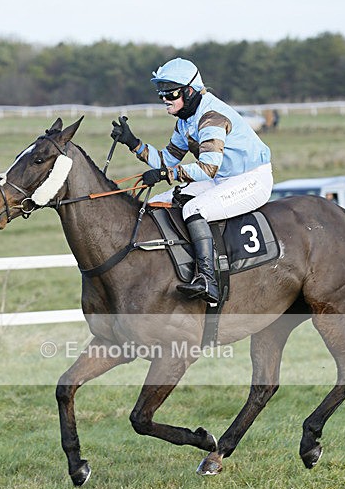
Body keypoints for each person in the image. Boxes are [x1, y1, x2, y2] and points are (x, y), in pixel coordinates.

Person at [111, 58, 273, 305]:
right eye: (161, 93)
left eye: (170, 93)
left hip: (251, 179)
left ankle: (208, 280)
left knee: (193, 209)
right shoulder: (185, 120)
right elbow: (167, 159)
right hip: (222, 179)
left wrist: (167, 175)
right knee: (157, 202)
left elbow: (207, 168)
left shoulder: (211, 117)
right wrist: (133, 143)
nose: (165, 99)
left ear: (189, 91)